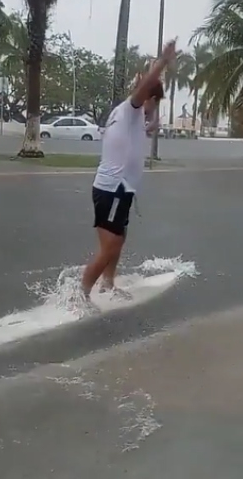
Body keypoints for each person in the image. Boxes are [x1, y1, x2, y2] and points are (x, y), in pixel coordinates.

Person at [79, 39, 177, 305]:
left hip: (120, 189)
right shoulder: (132, 108)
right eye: (155, 103)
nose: (153, 109)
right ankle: (81, 295)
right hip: (112, 188)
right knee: (110, 245)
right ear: (150, 98)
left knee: (119, 238)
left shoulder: (128, 117)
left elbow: (128, 138)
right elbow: (144, 88)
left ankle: (108, 284)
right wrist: (163, 62)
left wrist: (150, 126)